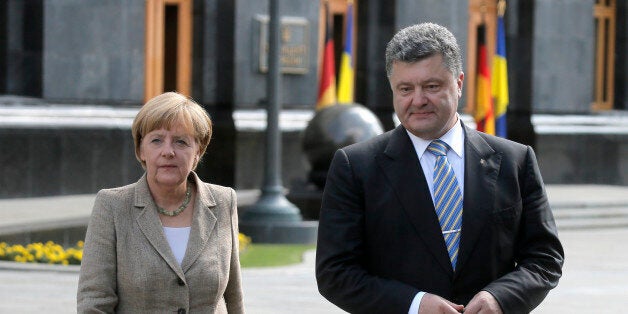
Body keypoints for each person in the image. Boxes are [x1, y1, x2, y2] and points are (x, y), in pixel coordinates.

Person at [316, 22, 564, 314]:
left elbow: (545, 257)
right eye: (405, 89)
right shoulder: (355, 167)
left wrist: (500, 298)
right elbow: (335, 273)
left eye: (431, 86)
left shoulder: (515, 161)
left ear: (458, 83)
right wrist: (414, 304)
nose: (418, 100)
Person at [77, 92, 244, 313]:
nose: (168, 152)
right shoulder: (112, 206)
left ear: (198, 151)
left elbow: (233, 298)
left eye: (181, 141)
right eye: (156, 140)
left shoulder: (223, 202)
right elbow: (94, 301)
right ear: (141, 150)